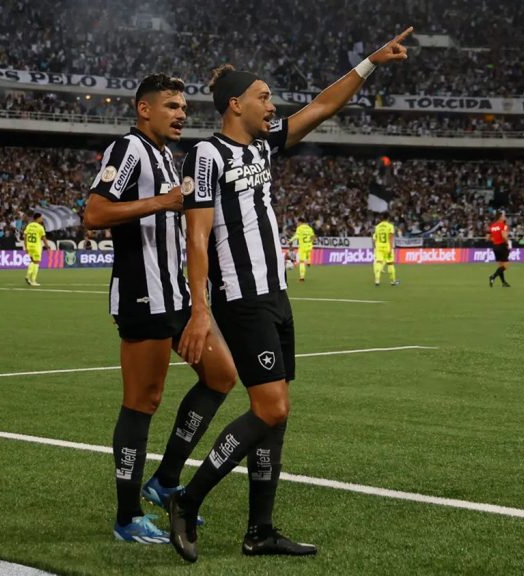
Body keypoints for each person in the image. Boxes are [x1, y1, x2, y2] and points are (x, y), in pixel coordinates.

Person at [170, 27, 414, 563]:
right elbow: (196, 235)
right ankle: (186, 500)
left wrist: (371, 62)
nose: (271, 103)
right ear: (235, 104)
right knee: (271, 408)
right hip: (241, 296)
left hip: (276, 294)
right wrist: (200, 309)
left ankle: (259, 530)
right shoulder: (206, 157)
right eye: (262, 96)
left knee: (277, 414)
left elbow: (323, 106)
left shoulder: (261, 144)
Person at [83, 74, 238, 545]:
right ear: (143, 109)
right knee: (142, 403)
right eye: (171, 105)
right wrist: (164, 201)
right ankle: (127, 517)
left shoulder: (167, 158)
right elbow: (93, 213)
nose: (181, 114)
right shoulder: (128, 150)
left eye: (184, 107)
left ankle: (166, 480)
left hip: (177, 297)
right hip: (142, 295)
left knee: (221, 376)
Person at [23, 213, 50, 286]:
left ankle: (29, 278)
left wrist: (25, 247)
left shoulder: (29, 225)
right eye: (41, 218)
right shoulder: (40, 227)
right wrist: (47, 247)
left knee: (33, 261)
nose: (42, 219)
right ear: (37, 218)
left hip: (29, 245)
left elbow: (25, 236)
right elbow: (44, 238)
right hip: (36, 246)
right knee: (36, 262)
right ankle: (31, 279)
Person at [487, 211, 511, 288]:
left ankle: (503, 283)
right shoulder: (503, 225)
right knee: (506, 266)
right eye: (504, 216)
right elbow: (504, 236)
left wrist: (495, 240)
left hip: (495, 247)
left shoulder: (492, 226)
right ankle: (493, 276)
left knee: (500, 265)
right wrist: (507, 243)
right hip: (502, 246)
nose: (505, 217)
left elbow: (488, 238)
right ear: (500, 217)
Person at [372, 219, 398, 286]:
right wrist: (391, 248)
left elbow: (374, 239)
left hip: (379, 247)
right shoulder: (389, 226)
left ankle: (377, 280)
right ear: (388, 219)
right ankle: (393, 281)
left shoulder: (377, 227)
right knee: (390, 263)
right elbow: (390, 238)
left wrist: (375, 247)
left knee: (378, 262)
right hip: (387, 247)